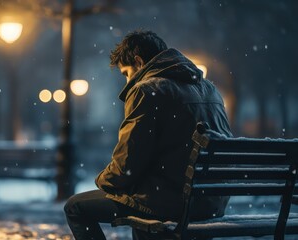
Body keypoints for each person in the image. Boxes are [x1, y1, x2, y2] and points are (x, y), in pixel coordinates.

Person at [64, 30, 232, 239]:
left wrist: (104, 181)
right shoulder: (210, 90)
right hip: (211, 203)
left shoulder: (147, 90)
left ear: (139, 62)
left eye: (126, 73)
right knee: (143, 199)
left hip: (169, 204)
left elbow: (128, 164)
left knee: (75, 207)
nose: (127, 82)